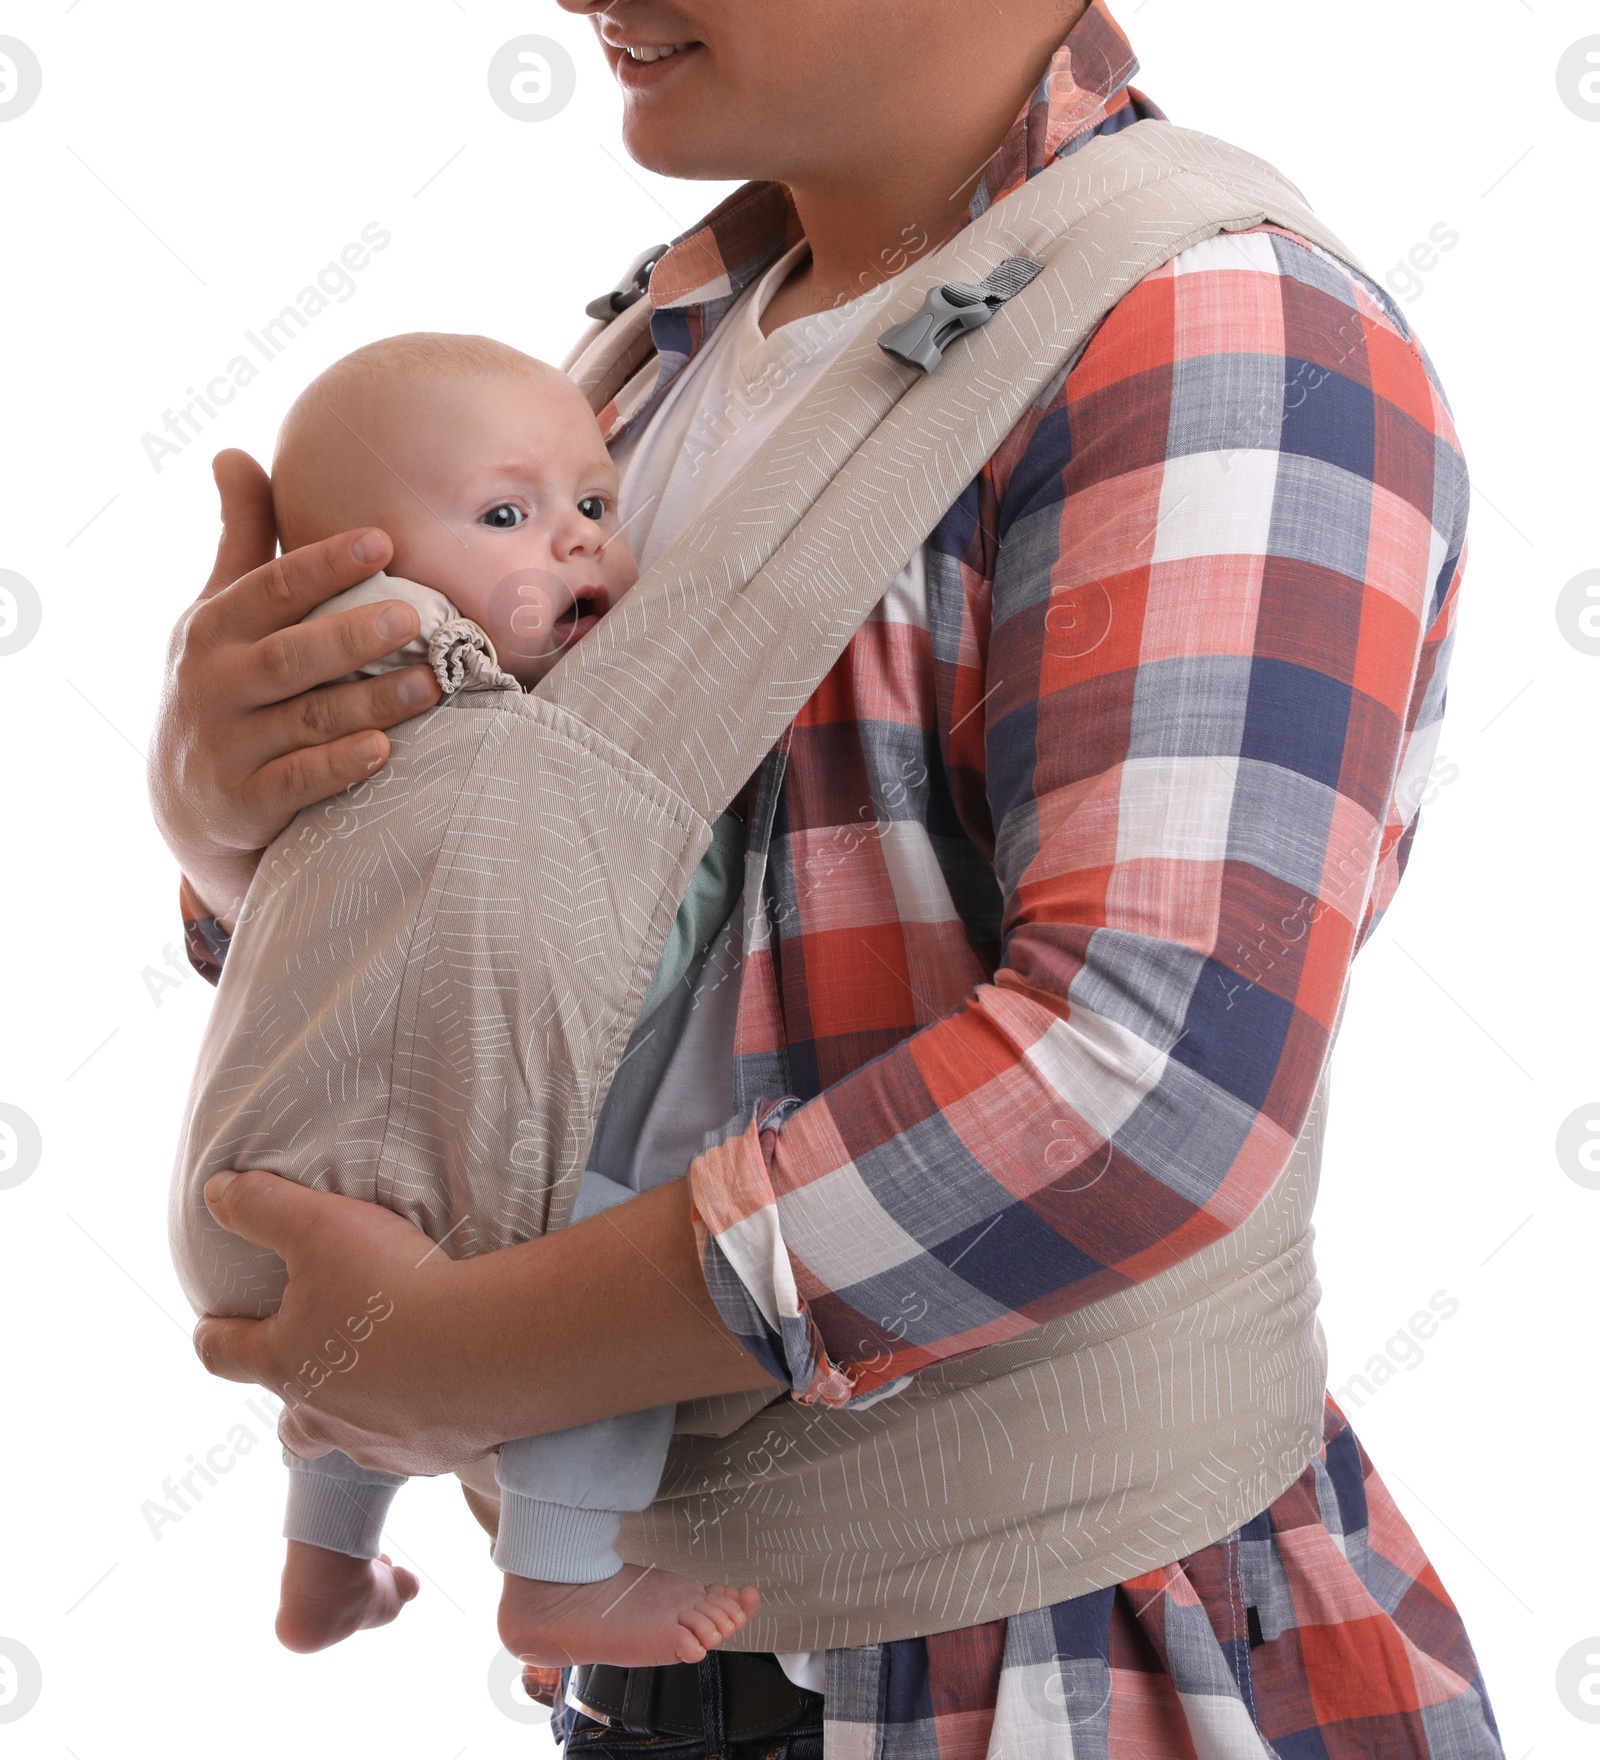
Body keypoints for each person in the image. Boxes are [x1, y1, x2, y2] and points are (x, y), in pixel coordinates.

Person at [150, 0, 1504, 1751]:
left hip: (1042, 1666)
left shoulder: (1217, 332)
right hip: (657, 1673)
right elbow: (546, 916)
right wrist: (222, 836)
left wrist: (472, 1359)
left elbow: (1143, 1077)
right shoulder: (660, 349)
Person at [171, 329, 758, 1665]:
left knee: (353, 1328)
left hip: (256, 1208)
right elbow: (606, 954)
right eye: (508, 515)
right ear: (362, 573)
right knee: (614, 1274)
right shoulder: (442, 708)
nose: (576, 545)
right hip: (450, 1210)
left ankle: (327, 1562)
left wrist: (206, 837)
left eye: (595, 507)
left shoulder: (330, 727)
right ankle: (562, 1578)